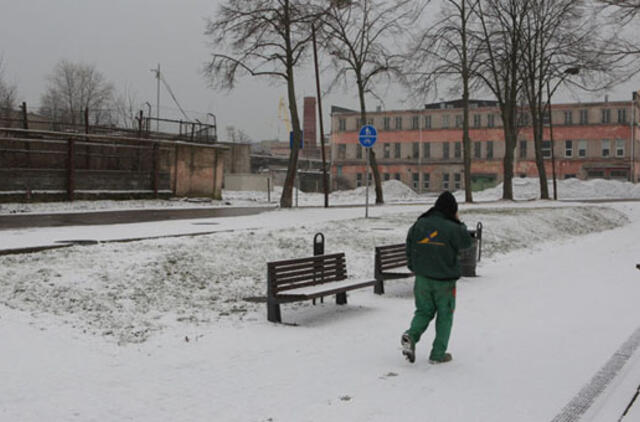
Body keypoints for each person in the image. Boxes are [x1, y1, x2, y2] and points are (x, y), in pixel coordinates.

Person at [401, 191, 472, 364]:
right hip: (444, 282)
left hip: (423, 279)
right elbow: (467, 242)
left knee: (423, 311)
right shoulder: (453, 227)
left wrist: (413, 266)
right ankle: (438, 354)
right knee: (445, 316)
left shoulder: (420, 223)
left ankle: (411, 336)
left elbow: (409, 245)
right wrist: (458, 221)